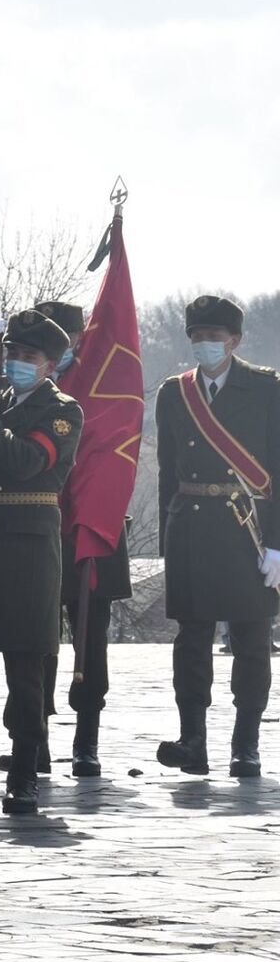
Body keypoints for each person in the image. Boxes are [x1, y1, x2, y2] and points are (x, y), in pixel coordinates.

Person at [155, 295, 280, 778]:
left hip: (247, 525)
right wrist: (170, 536)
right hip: (191, 524)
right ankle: (193, 741)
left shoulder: (267, 389)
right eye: (197, 336)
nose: (205, 345)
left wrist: (277, 543)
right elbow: (168, 470)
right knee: (191, 638)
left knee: (250, 639)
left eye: (214, 336)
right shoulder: (174, 392)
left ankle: (245, 744)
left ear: (235, 341)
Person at [0, 309, 83, 816]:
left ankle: (23, 770)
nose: (15, 362)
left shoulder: (62, 411)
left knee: (24, 665)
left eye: (27, 356)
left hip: (28, 549)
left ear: (51, 364)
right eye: (11, 353)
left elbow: (25, 463)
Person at [37, 298, 133, 778]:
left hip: (90, 526)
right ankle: (34, 736)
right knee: (34, 638)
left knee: (91, 640)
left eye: (68, 336)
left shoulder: (103, 386)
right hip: (35, 527)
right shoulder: (30, 385)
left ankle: (86, 740)